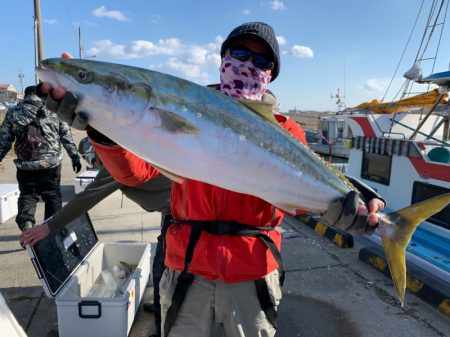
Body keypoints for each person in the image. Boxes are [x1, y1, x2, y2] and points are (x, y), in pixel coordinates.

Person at [37, 22, 385, 337]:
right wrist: (105, 133)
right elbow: (134, 173)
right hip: (187, 270)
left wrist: (341, 207)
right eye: (239, 52)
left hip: (253, 274)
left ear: (271, 74)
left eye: (262, 61)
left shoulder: (286, 131)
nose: (248, 64)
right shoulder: (180, 108)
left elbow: (294, 198)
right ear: (223, 57)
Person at [19, 136, 172, 337]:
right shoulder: (128, 152)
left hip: (179, 210)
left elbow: (88, 197)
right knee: (167, 263)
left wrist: (49, 227)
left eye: (93, 161)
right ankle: (163, 304)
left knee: (164, 265)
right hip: (171, 207)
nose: (95, 167)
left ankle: (163, 327)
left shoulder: (117, 164)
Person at [0, 86, 82, 231]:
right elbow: (66, 136)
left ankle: (27, 224)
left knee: (28, 195)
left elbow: (4, 140)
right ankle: (51, 232)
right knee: (52, 197)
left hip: (26, 166)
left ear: (25, 96)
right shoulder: (54, 112)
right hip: (51, 165)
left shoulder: (13, 113)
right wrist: (75, 156)